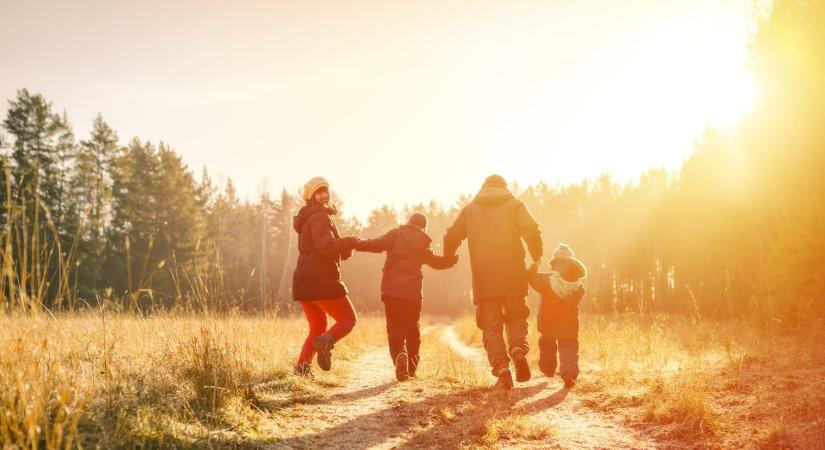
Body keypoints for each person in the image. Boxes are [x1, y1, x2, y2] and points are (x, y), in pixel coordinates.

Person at [443, 174, 543, 389]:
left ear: (483, 188)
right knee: (516, 316)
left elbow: (452, 235)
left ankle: (502, 368)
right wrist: (536, 257)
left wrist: (449, 257)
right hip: (513, 272)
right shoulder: (515, 205)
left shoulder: (470, 210)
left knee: (492, 326)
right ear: (504, 187)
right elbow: (531, 230)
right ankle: (517, 349)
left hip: (485, 276)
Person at [355, 212, 458, 381]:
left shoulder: (396, 234)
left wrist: (356, 243)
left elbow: (376, 244)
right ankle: (411, 367)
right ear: (423, 227)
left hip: (392, 291)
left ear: (409, 222)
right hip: (413, 294)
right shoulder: (424, 242)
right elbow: (436, 263)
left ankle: (399, 356)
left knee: (395, 327)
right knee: (412, 329)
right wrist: (451, 260)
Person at [292, 176, 361, 377]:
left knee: (317, 328)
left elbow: (322, 247)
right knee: (349, 319)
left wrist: (344, 248)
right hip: (321, 280)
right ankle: (326, 341)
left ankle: (302, 369)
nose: (324, 195)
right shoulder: (320, 216)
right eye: (318, 192)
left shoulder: (308, 218)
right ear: (311, 196)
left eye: (325, 191)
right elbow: (326, 246)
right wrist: (349, 241)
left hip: (304, 283)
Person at [528, 243, 587, 388]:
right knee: (569, 347)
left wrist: (534, 265)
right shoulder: (577, 284)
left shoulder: (547, 280)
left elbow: (532, 278)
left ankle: (548, 369)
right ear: (572, 261)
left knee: (546, 344)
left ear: (554, 261)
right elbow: (578, 295)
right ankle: (569, 374)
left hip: (549, 321)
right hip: (569, 324)